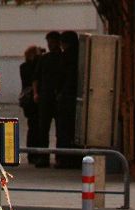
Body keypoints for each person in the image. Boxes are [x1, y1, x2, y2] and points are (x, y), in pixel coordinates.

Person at [33, 31, 63, 168]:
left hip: (56, 97)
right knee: (43, 129)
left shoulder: (62, 58)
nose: (50, 45)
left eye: (52, 42)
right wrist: (36, 93)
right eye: (49, 42)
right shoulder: (44, 59)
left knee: (59, 130)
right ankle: (43, 157)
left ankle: (59, 157)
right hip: (46, 97)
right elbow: (36, 78)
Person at [54, 31, 79, 168]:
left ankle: (64, 159)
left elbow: (61, 77)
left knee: (63, 130)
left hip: (66, 98)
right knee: (74, 130)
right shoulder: (80, 55)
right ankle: (75, 159)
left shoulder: (65, 57)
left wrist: (60, 93)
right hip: (76, 97)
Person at [19, 44, 41, 165]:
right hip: (31, 100)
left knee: (32, 127)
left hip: (28, 101)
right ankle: (33, 153)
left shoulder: (23, 66)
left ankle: (31, 154)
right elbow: (34, 76)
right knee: (34, 127)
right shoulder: (28, 67)